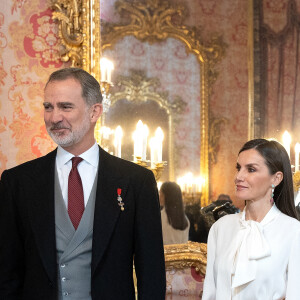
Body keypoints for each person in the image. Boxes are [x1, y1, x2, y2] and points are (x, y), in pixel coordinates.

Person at [0, 68, 166, 299]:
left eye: (65, 106)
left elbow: (151, 273)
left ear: (94, 111)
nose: (54, 117)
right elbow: (7, 272)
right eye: (48, 107)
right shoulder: (18, 182)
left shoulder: (136, 181)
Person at [202, 138, 300, 300]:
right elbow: (210, 292)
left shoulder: (293, 231)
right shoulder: (221, 228)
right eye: (238, 168)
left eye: (251, 169)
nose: (239, 176)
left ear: (276, 178)